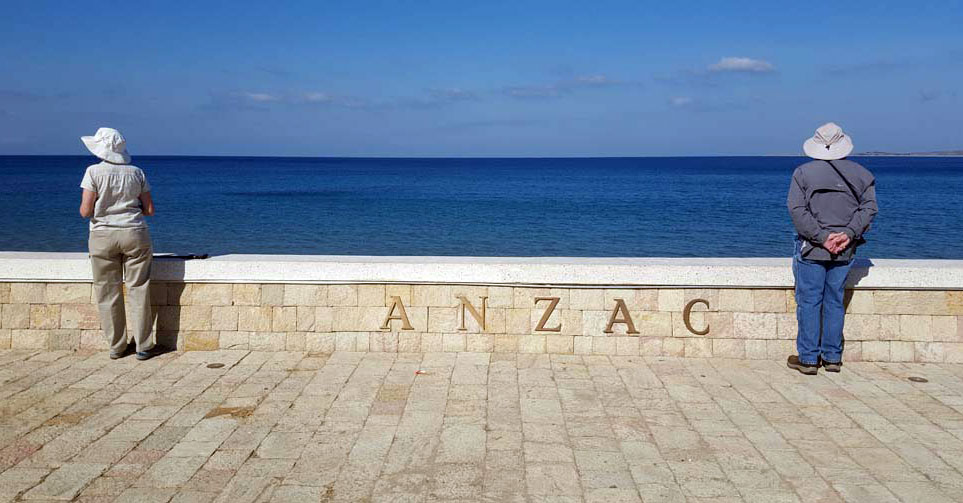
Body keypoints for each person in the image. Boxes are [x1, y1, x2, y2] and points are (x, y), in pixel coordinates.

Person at [786, 122, 878, 375]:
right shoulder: (862, 174)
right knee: (834, 300)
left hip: (812, 248)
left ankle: (807, 358)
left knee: (809, 301)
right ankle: (832, 357)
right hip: (845, 248)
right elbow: (869, 209)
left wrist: (821, 237)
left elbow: (796, 210)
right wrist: (847, 234)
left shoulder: (803, 173)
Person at [79, 127, 161, 360]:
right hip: (134, 233)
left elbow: (85, 211)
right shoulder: (136, 172)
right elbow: (150, 210)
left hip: (103, 236)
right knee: (139, 289)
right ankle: (143, 345)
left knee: (108, 291)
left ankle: (117, 346)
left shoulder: (92, 172)